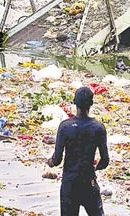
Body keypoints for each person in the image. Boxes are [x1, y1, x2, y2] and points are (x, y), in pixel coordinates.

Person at [48, 86, 109, 216]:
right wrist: (94, 167)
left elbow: (57, 160)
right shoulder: (98, 128)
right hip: (88, 182)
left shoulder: (65, 127)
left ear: (74, 102)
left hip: (69, 185)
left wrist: (50, 162)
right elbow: (105, 161)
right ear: (91, 104)